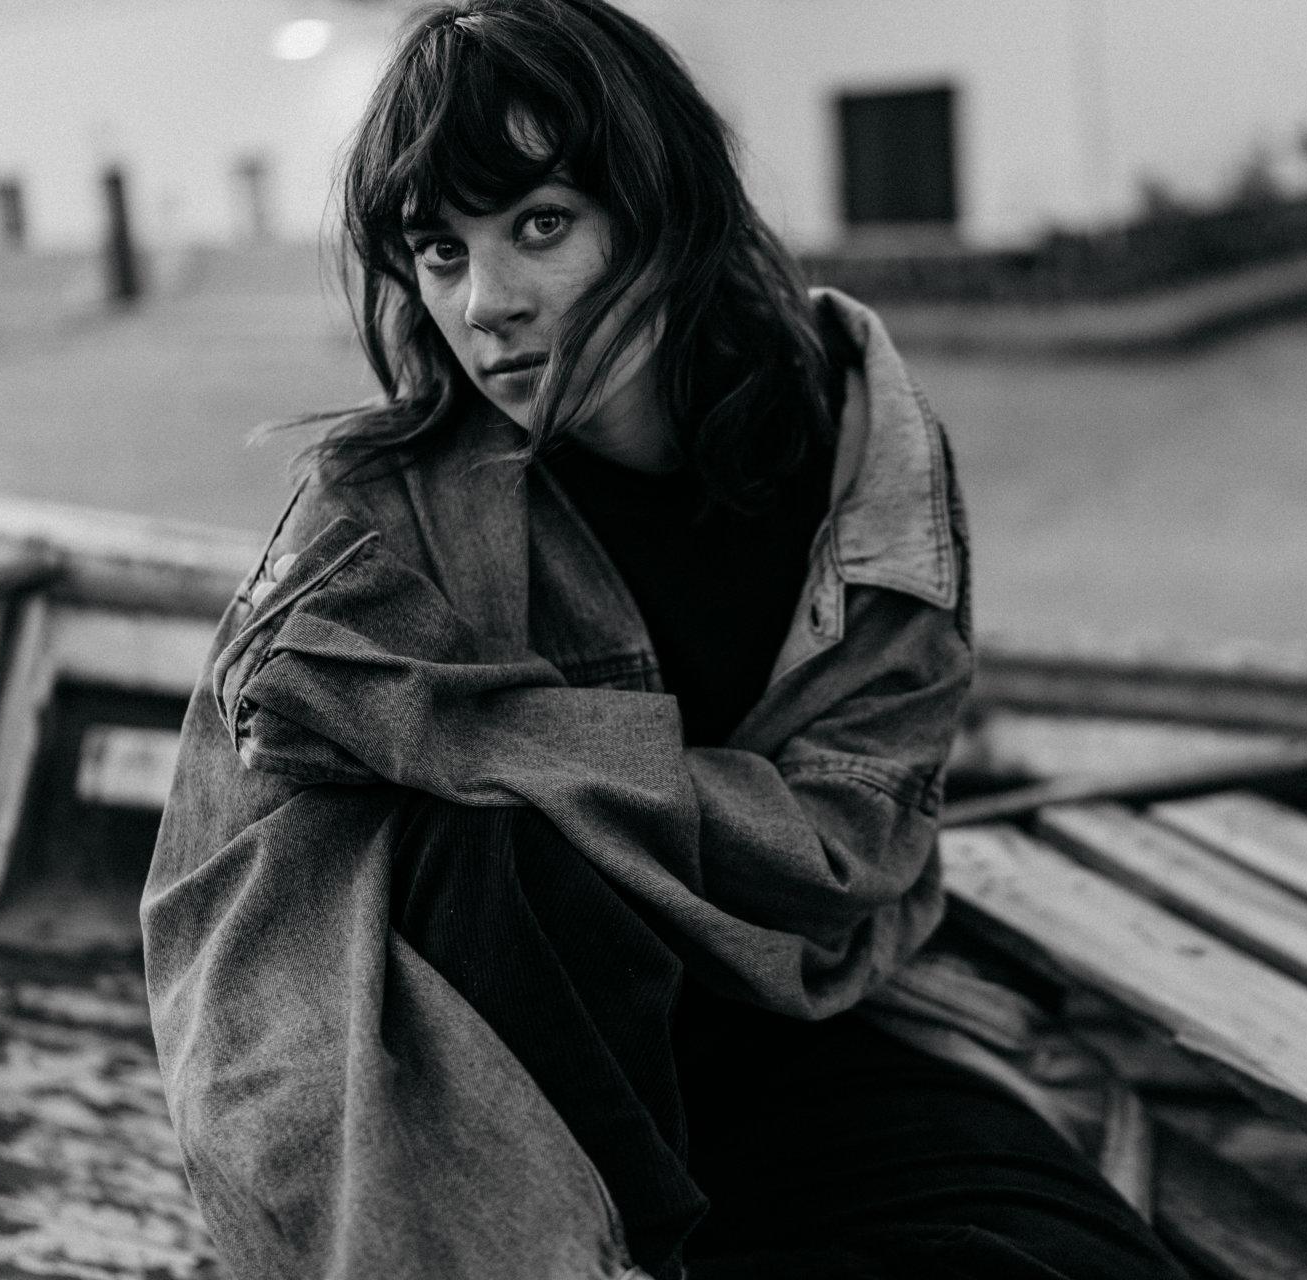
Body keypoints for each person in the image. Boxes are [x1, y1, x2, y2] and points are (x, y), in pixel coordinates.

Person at [142, 2, 1191, 1277]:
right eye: (441, 250)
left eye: (541, 224)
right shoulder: (374, 526)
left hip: (792, 1007)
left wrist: (481, 733)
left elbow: (855, 839)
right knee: (503, 847)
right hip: (519, 1083)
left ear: (663, 209)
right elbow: (245, 960)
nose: (488, 304)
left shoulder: (857, 451)